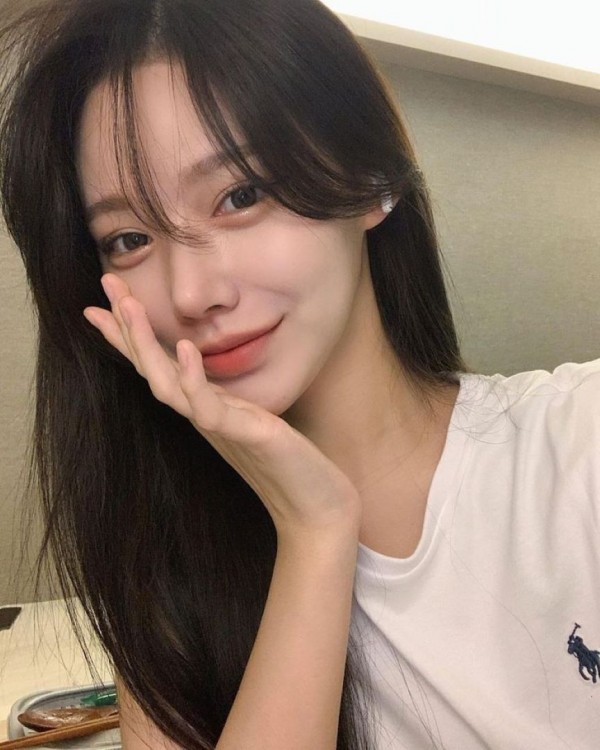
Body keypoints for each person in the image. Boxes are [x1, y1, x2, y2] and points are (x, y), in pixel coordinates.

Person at [0, 1, 598, 748]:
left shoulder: (580, 440)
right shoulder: (168, 575)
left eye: (240, 195)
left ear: (371, 178)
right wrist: (315, 530)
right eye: (128, 239)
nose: (191, 293)